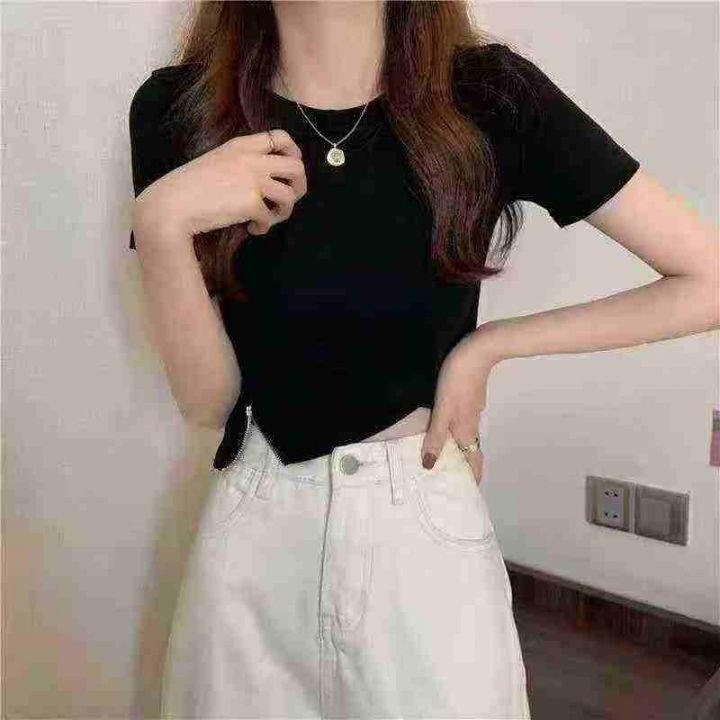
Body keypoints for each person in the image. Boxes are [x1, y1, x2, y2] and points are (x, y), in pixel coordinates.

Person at [128, 2, 718, 718]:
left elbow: (708, 280)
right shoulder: (180, 109)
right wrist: (160, 224)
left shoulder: (490, 97)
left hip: (422, 534)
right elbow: (208, 402)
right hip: (253, 536)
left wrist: (490, 346)